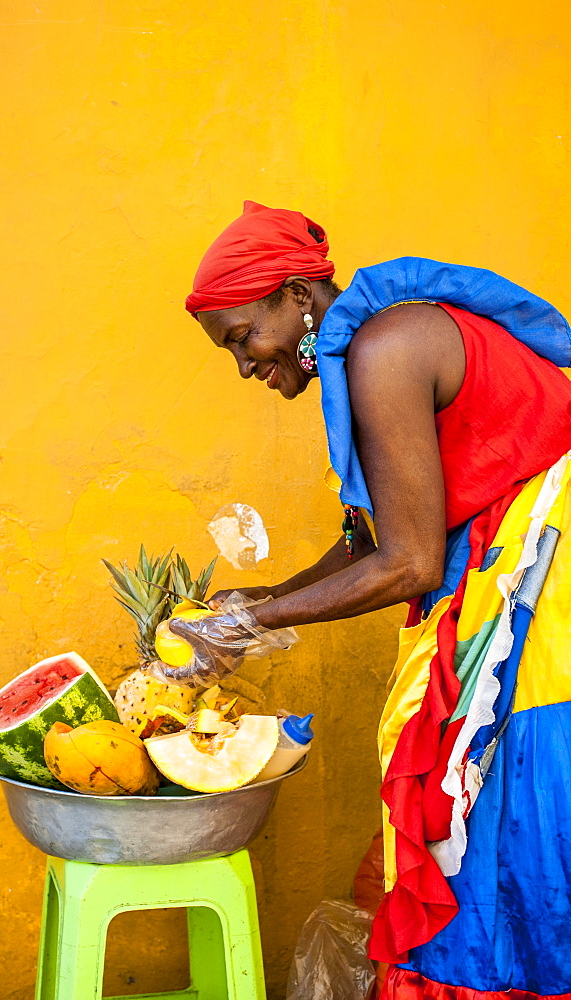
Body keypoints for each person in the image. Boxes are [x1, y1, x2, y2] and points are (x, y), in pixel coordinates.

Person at [162, 201, 571, 1000]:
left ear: (297, 296)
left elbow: (410, 562)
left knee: (511, 835)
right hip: (515, 582)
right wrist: (269, 595)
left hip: (546, 600)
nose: (246, 365)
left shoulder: (385, 349)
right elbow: (370, 541)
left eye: (244, 338)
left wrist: (253, 623)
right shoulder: (372, 346)